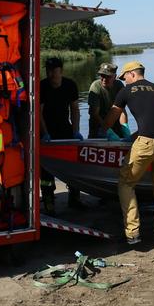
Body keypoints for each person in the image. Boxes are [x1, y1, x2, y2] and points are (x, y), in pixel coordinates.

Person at [102, 61, 154, 246]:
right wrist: (134, 136)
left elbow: (113, 115)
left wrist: (102, 130)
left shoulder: (126, 91)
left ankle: (133, 233)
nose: (124, 81)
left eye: (125, 77)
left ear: (133, 74)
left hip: (147, 143)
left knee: (126, 183)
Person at [40, 57, 84, 213]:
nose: (51, 74)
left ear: (61, 71)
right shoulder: (42, 86)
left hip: (65, 128)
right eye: (48, 70)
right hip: (47, 130)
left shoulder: (70, 85)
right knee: (45, 170)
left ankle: (75, 197)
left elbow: (75, 109)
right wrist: (44, 133)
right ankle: (48, 200)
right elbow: (39, 113)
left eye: (54, 70)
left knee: (74, 163)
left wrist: (76, 131)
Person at [87, 63, 130, 139]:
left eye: (108, 76)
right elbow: (95, 114)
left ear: (115, 77)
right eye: (102, 75)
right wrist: (107, 130)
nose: (104, 79)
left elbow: (122, 111)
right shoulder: (95, 87)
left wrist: (125, 126)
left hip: (116, 128)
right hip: (99, 128)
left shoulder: (119, 85)